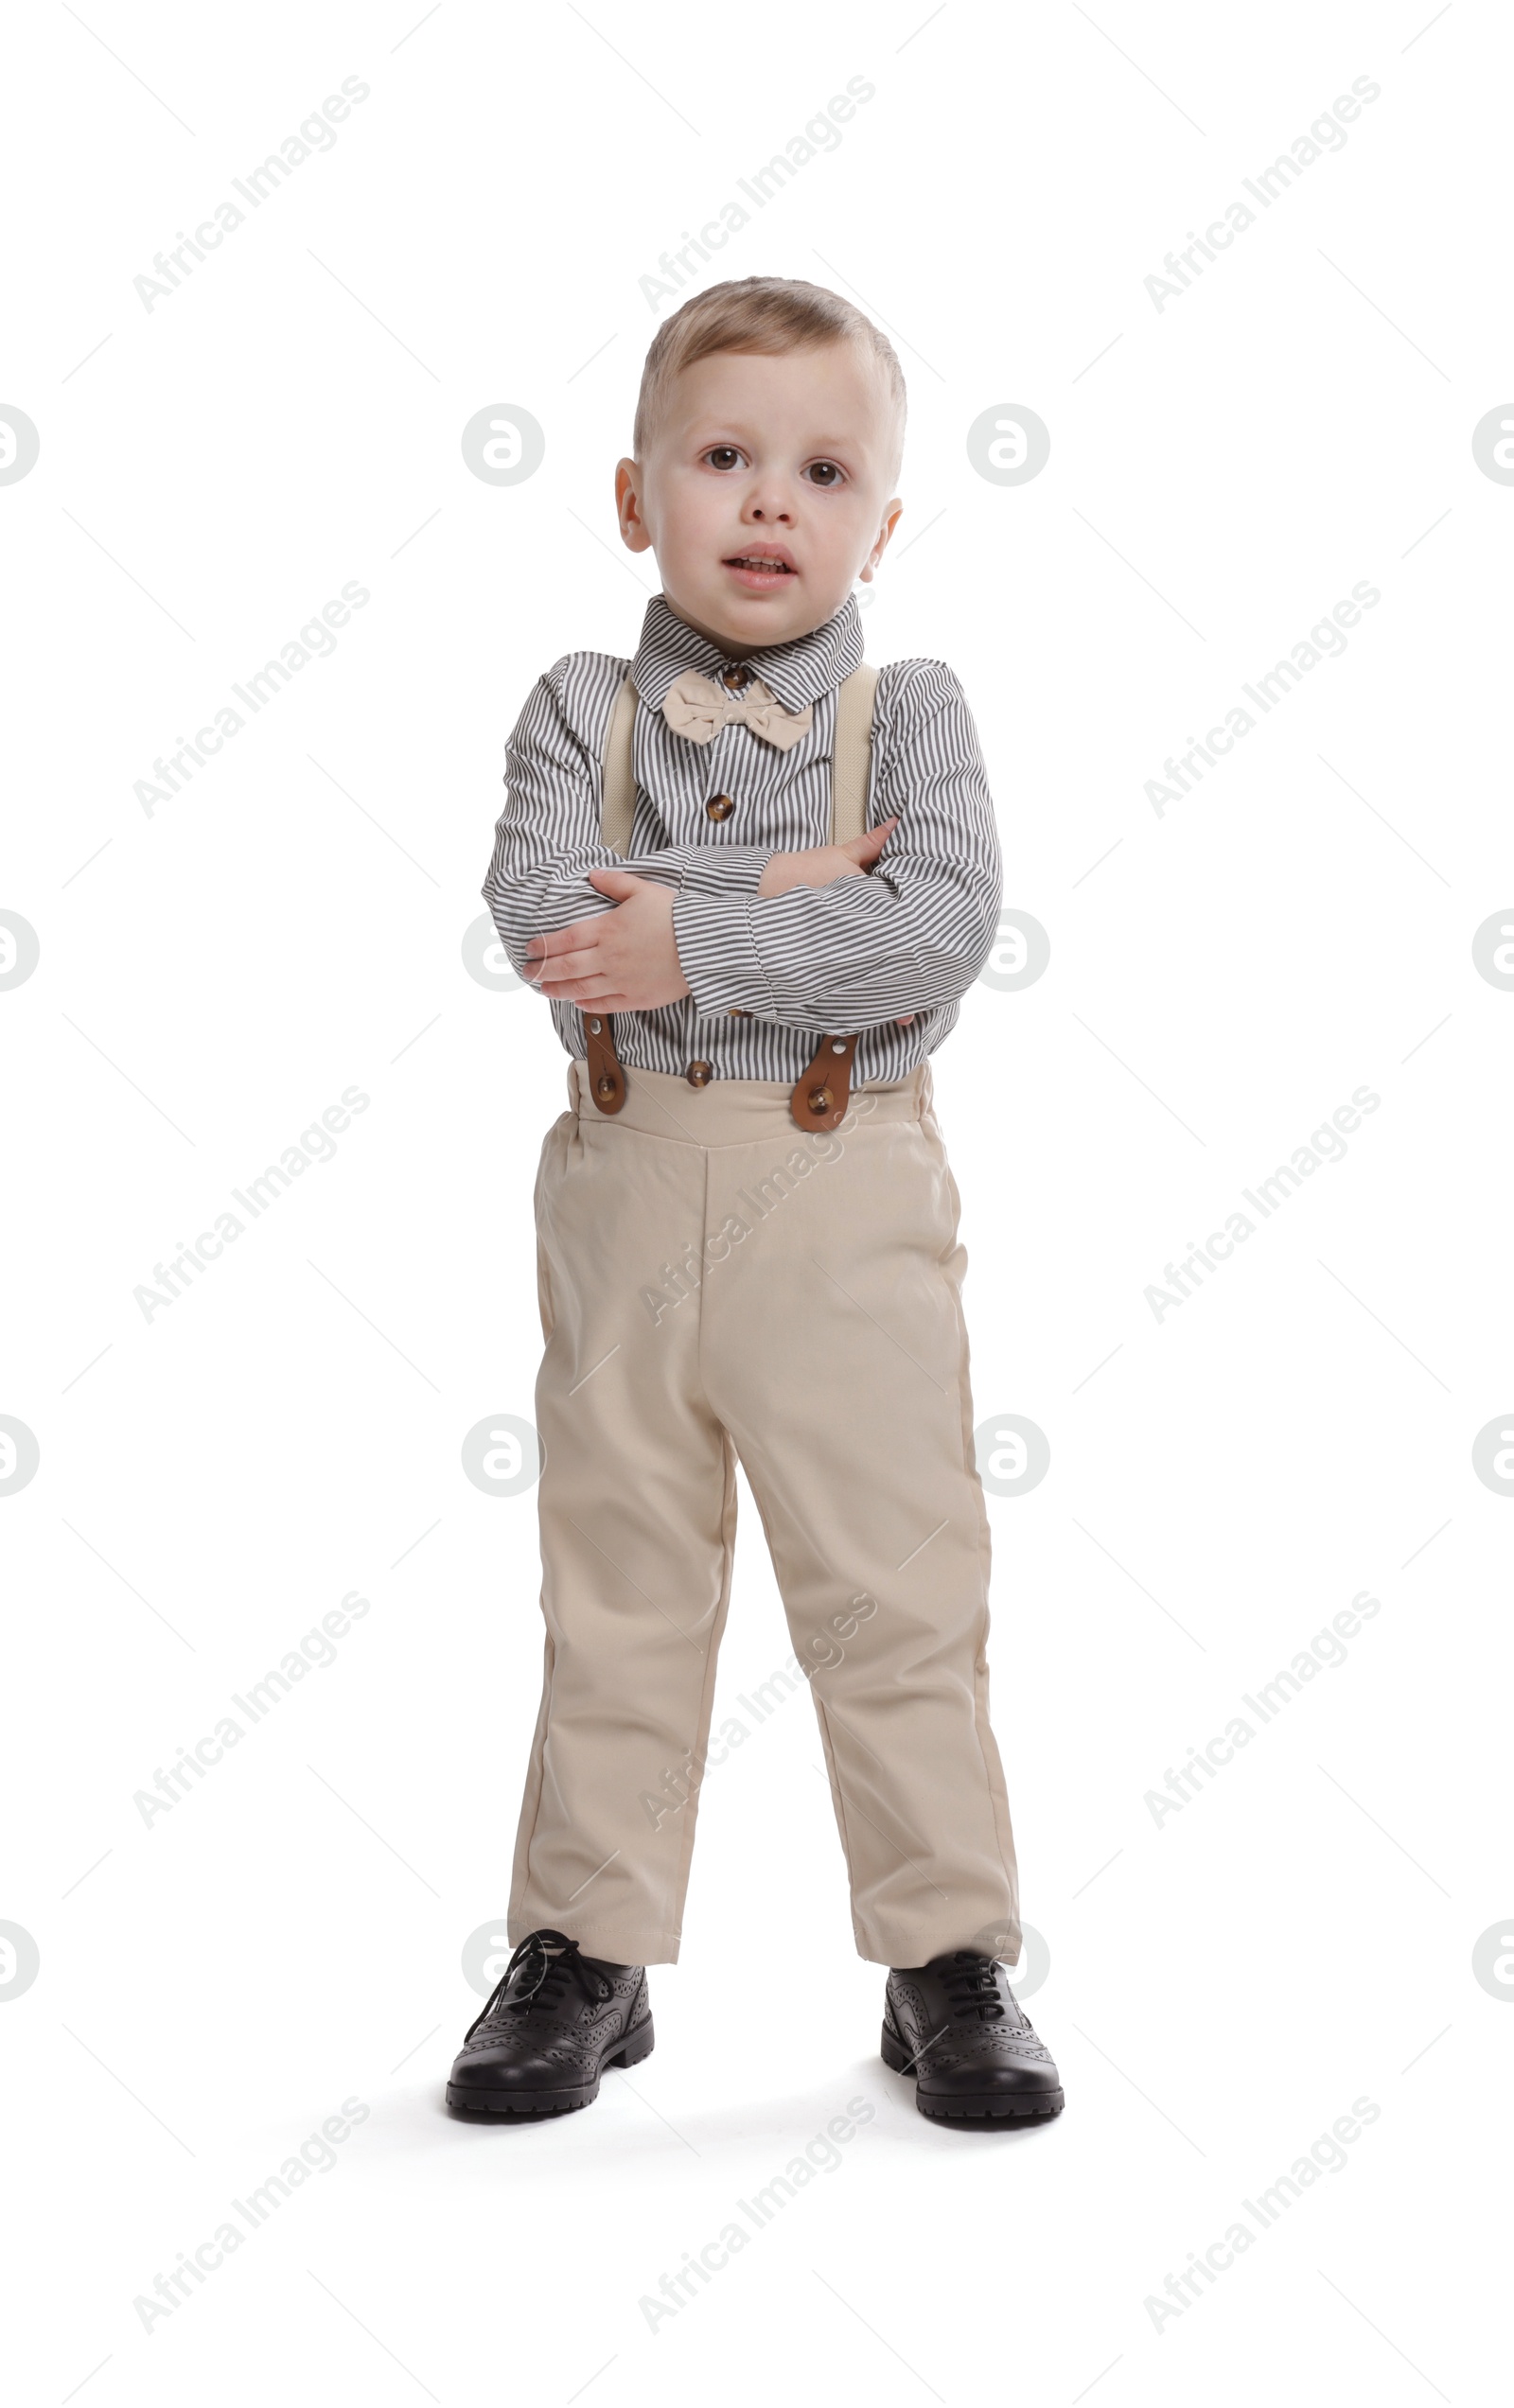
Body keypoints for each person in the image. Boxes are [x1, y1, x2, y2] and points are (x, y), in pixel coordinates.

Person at [449, 276, 1063, 2127]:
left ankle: (944, 1951)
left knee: (895, 1580)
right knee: (618, 1576)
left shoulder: (914, 713)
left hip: (842, 1194)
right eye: (719, 458)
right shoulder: (576, 704)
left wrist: (688, 927)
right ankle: (583, 1941)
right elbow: (548, 920)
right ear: (638, 497)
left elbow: (937, 924)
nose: (766, 503)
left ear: (882, 516)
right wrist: (795, 879)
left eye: (818, 469)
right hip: (625, 1200)